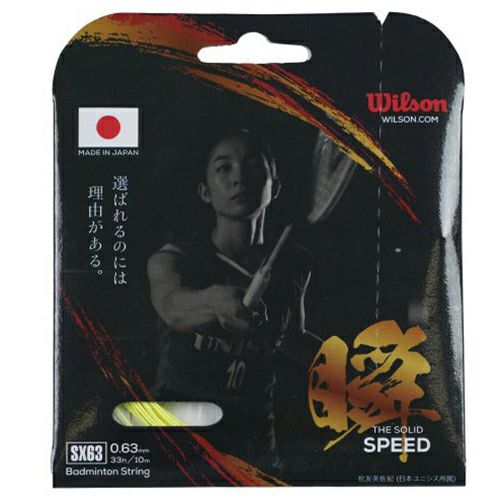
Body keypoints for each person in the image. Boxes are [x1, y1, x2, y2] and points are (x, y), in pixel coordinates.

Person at [147, 128, 311, 473]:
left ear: (274, 186)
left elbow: (291, 341)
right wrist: (215, 302)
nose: (239, 178)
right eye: (224, 168)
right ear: (205, 192)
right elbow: (172, 307)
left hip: (255, 442)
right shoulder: (174, 259)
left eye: (252, 166)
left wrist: (348, 364)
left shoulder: (293, 264)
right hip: (183, 438)